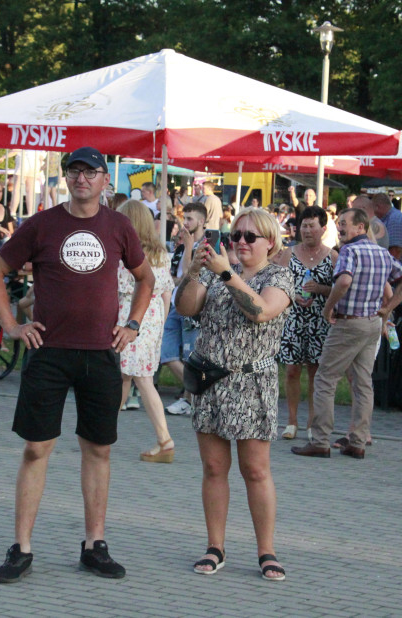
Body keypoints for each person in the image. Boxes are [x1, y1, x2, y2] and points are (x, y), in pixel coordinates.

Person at [0, 146, 152, 584]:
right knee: (36, 448)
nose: (82, 179)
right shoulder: (40, 224)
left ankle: (94, 545)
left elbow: (146, 278)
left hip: (100, 353)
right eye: (74, 171)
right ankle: (21, 548)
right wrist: (12, 324)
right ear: (65, 178)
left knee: (98, 449)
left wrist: (132, 323)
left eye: (91, 172)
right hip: (50, 352)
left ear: (103, 181)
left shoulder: (118, 226)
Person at [174, 207, 294, 580]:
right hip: (210, 382)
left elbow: (260, 312)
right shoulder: (218, 274)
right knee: (213, 468)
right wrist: (195, 271)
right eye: (234, 236)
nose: (240, 242)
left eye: (249, 237)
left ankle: (266, 551)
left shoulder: (278, 275)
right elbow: (185, 307)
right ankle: (215, 546)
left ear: (270, 242)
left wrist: (225, 273)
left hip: (252, 385)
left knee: (255, 470)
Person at [292, 207, 402, 460]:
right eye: (339, 223)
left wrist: (328, 309)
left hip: (348, 324)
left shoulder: (349, 250)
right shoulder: (382, 253)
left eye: (344, 223)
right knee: (363, 383)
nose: (340, 227)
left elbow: (345, 281)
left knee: (325, 380)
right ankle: (358, 441)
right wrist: (387, 309)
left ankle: (320, 440)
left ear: (360, 227)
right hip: (371, 323)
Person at [114, 200, 175, 461]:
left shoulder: (124, 255)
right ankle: (102, 432)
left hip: (129, 318)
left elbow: (119, 288)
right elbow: (165, 292)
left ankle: (164, 439)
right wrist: (159, 326)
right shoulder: (160, 254)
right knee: (128, 376)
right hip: (150, 321)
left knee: (133, 377)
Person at [274, 205, 337, 440]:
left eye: (312, 225)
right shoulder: (288, 253)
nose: (307, 230)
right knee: (291, 370)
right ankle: (291, 421)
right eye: (303, 225)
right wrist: (292, 295)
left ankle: (312, 422)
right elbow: (277, 283)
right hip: (293, 319)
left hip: (320, 320)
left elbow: (339, 288)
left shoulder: (332, 256)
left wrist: (320, 289)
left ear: (323, 228)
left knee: (315, 372)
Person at [162, 201, 208, 417]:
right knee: (166, 352)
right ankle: (196, 393)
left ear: (201, 221)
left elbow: (193, 273)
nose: (185, 222)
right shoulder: (181, 246)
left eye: (190, 218)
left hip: (193, 307)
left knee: (191, 356)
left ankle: (191, 399)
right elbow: (178, 276)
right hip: (174, 303)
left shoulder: (207, 245)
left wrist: (190, 246)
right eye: (184, 218)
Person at [373, 193, 402, 268]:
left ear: (377, 207)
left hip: (397, 274)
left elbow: (395, 252)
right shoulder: (391, 218)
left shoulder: (395, 220)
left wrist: (387, 270)